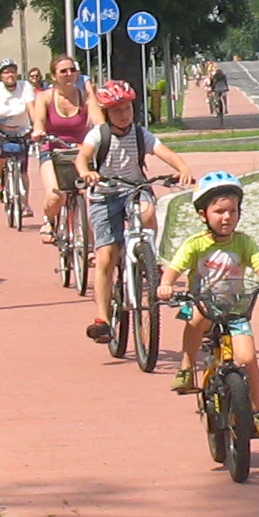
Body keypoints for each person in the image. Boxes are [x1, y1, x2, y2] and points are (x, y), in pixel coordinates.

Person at [162, 171, 259, 437]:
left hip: (234, 309)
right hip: (200, 302)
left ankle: (257, 410)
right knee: (194, 318)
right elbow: (174, 268)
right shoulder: (195, 244)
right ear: (203, 215)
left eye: (233, 211)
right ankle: (186, 367)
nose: (227, 217)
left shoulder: (243, 242)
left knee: (248, 359)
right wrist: (166, 284)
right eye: (219, 211)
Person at [81, 77, 182, 345]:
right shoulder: (99, 134)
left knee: (148, 212)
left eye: (126, 108)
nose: (123, 114)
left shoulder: (139, 134)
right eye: (116, 110)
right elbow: (83, 156)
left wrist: (182, 167)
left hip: (134, 189)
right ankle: (102, 319)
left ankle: (149, 257)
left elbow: (164, 151)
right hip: (104, 195)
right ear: (106, 113)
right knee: (106, 256)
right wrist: (86, 172)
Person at [36, 56, 93, 249]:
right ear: (54, 76)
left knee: (91, 198)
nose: (69, 74)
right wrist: (39, 131)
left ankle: (89, 247)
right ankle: (49, 220)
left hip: (80, 151)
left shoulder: (86, 97)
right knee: (55, 196)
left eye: (72, 70)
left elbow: (99, 120)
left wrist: (104, 133)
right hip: (52, 150)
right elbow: (38, 121)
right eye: (63, 71)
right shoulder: (44, 97)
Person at [0, 59, 38, 217]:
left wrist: (37, 126)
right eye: (6, 72)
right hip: (1, 129)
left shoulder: (25, 86)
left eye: (13, 71)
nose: (10, 75)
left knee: (23, 170)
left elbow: (31, 108)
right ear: (0, 76)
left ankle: (25, 204)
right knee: (0, 150)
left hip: (22, 130)